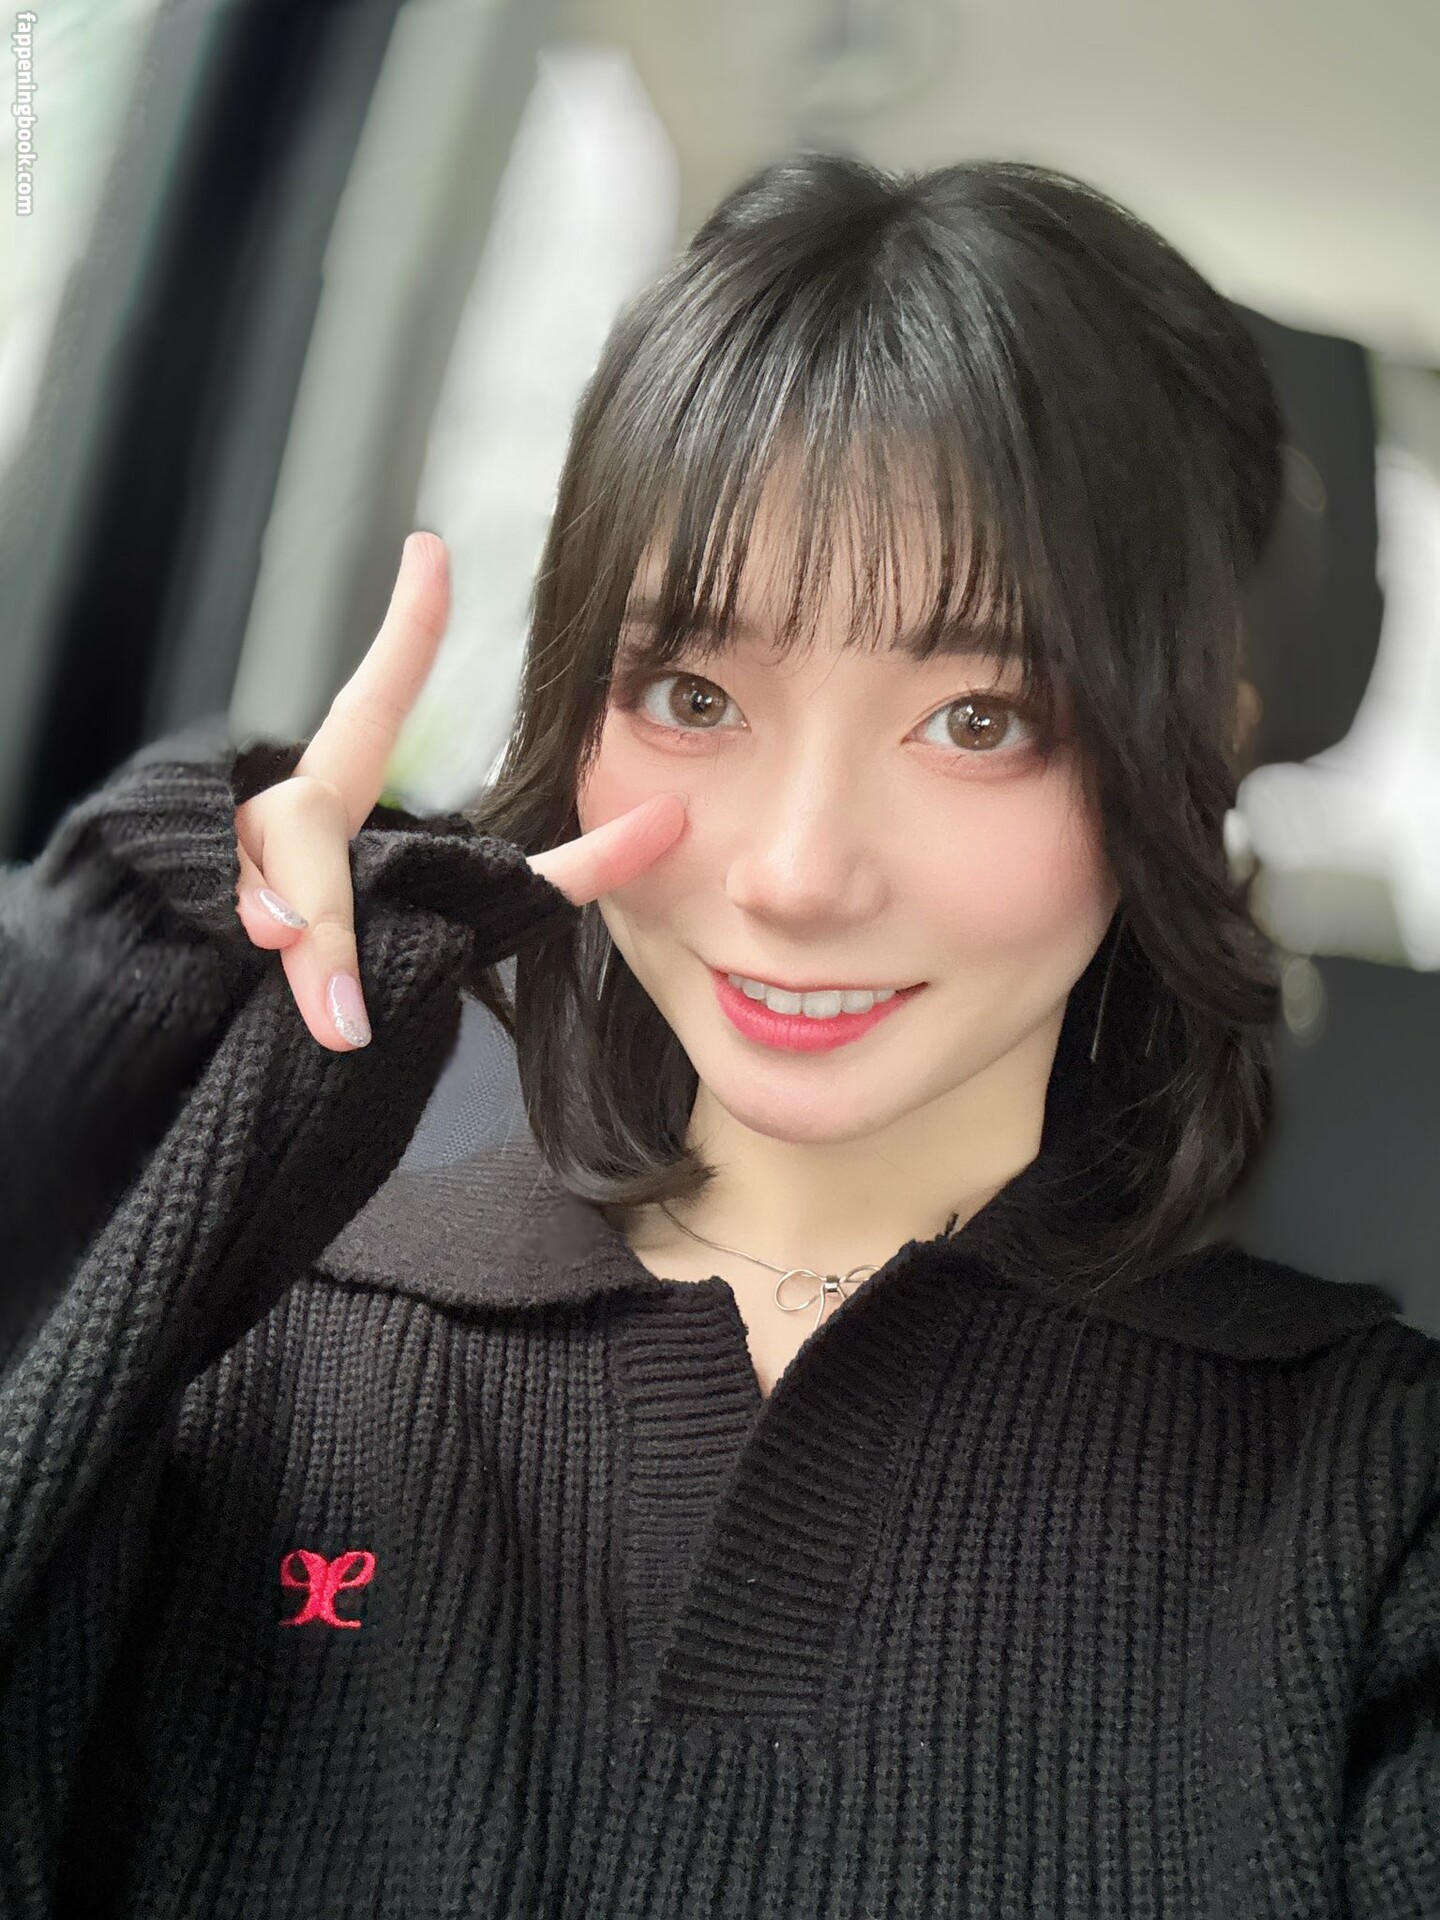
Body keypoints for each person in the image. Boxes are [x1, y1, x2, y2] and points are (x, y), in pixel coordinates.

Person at [2, 155, 1435, 1917]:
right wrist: (133, 956)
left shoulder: (1376, 1514)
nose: (796, 875)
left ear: (1196, 746)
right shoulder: (260, 1340)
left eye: (980, 717)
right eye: (694, 696)